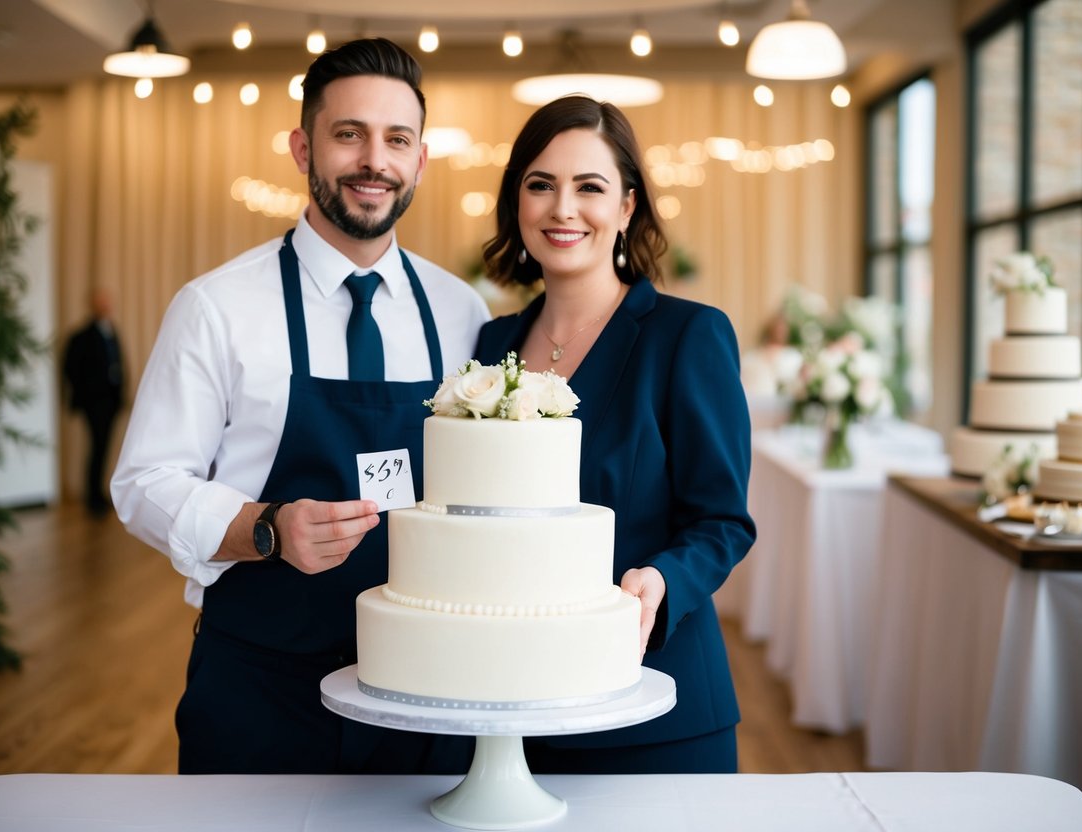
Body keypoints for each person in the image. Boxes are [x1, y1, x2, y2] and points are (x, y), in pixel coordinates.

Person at [111, 38, 488, 775]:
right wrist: (266, 529)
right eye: (348, 134)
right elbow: (143, 482)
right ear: (301, 148)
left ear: (419, 160)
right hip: (260, 686)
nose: (373, 160)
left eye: (396, 139)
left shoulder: (462, 312)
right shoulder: (216, 307)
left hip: (426, 683)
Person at [476, 95, 756, 773]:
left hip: (654, 700)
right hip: (506, 707)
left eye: (589, 187)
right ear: (516, 204)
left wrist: (661, 580)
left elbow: (721, 521)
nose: (562, 209)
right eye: (539, 185)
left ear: (627, 207)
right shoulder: (489, 347)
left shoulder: (687, 336)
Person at [62, 286, 125, 517]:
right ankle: (92, 497)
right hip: (94, 404)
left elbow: (118, 364)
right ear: (92, 305)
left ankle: (99, 493)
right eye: (101, 302)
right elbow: (71, 368)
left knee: (104, 448)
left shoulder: (112, 330)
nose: (105, 306)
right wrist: (86, 393)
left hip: (111, 402)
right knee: (96, 447)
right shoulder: (82, 335)